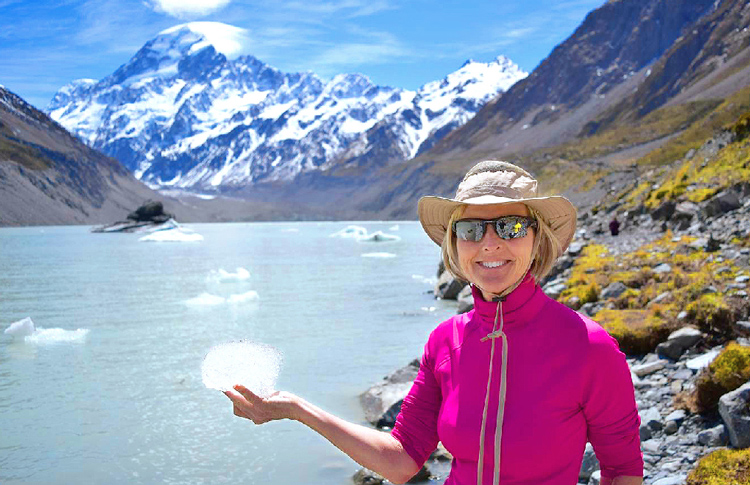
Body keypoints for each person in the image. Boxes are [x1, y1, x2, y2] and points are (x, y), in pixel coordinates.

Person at [225, 161, 643, 485]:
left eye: (511, 226)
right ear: (455, 245)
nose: (490, 242)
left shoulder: (588, 346)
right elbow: (401, 459)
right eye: (471, 228)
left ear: (536, 241)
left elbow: (623, 470)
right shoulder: (446, 341)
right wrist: (298, 409)